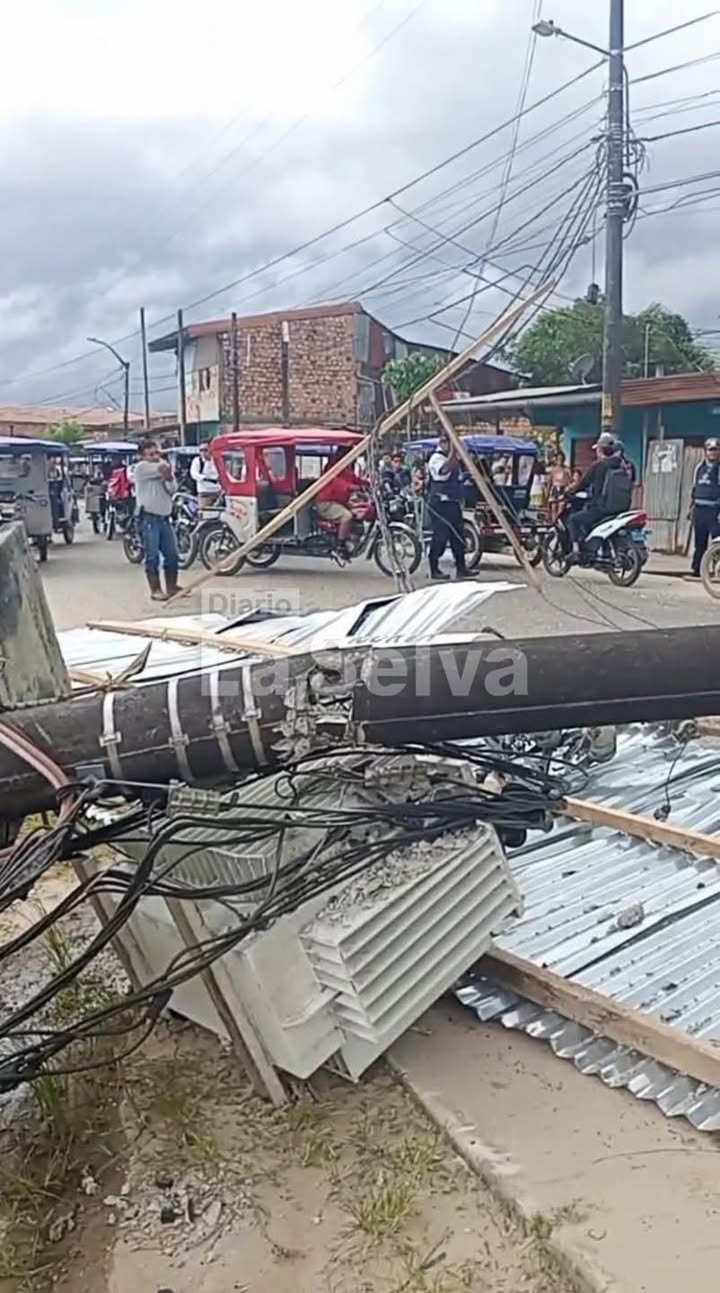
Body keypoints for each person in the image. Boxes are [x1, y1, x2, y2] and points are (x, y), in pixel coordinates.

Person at [567, 434, 632, 555]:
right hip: (621, 509)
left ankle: (576, 549)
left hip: (600, 508)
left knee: (573, 519)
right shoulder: (626, 466)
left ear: (601, 450)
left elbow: (583, 483)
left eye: (597, 449)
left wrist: (569, 493)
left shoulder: (598, 465)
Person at [133, 438, 179, 600]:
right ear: (142, 456)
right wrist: (166, 471)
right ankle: (155, 589)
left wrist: (168, 477)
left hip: (165, 518)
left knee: (172, 554)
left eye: (156, 453)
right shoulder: (141, 468)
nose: (155, 456)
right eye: (150, 454)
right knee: (152, 556)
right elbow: (163, 468)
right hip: (149, 518)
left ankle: (172, 586)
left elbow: (173, 489)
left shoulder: (162, 468)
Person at [427, 432, 468, 581]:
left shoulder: (454, 459)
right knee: (440, 537)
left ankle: (461, 568)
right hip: (439, 503)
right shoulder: (436, 458)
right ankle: (434, 568)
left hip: (452, 502)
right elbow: (444, 471)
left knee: (458, 536)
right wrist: (453, 453)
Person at [315, 447, 366, 550]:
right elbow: (337, 483)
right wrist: (352, 487)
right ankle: (340, 544)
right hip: (326, 503)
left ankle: (350, 536)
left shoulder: (345, 469)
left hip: (339, 501)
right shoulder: (332, 468)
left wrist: (368, 483)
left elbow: (355, 479)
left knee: (359, 510)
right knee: (347, 516)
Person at [688, 437, 720, 579]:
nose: (713, 453)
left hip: (714, 510)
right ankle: (697, 570)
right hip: (699, 509)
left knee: (716, 542)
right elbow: (694, 488)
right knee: (699, 542)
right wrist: (691, 508)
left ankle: (717, 570)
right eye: (710, 450)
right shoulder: (699, 468)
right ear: (705, 451)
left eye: (715, 450)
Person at [190, 442, 220, 509]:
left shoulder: (216, 460)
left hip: (218, 492)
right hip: (204, 493)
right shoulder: (197, 461)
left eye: (205, 450)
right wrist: (205, 479)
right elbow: (194, 474)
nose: (203, 452)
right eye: (201, 450)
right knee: (205, 514)